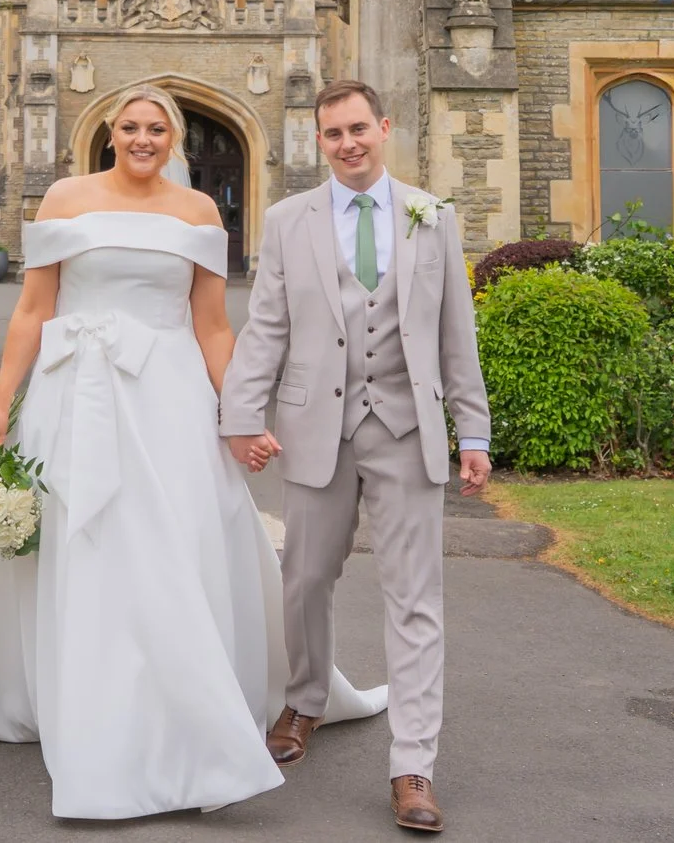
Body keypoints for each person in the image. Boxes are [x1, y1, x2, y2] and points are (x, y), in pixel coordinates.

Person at [0, 84, 383, 819]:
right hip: (74, 396)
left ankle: (183, 707)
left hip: (167, 396)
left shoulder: (197, 211)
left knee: (171, 542)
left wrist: (240, 413)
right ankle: (92, 708)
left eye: (155, 127)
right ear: (109, 132)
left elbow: (213, 327)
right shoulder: (66, 197)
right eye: (128, 125)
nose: (141, 137)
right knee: (85, 547)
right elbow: (33, 309)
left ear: (175, 137)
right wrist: (1, 403)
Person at [220, 78, 493, 835]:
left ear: (384, 126)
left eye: (358, 129)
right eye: (333, 133)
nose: (347, 144)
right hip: (316, 428)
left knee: (415, 598)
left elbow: (455, 334)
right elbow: (266, 326)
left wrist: (474, 431)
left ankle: (413, 764)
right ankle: (305, 700)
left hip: (407, 430)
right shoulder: (287, 220)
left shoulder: (432, 217)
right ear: (320, 140)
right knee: (304, 577)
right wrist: (241, 415)